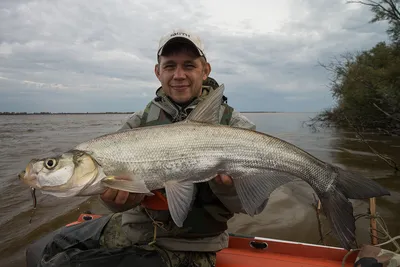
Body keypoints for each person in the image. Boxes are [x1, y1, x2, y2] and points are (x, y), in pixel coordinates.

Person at [25, 29, 261, 267]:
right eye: (170, 66)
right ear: (158, 72)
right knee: (53, 244)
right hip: (136, 228)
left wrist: (228, 188)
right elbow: (115, 197)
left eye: (188, 66)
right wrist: (118, 203)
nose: (179, 75)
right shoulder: (138, 122)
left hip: (191, 245)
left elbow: (254, 205)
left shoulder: (234, 126)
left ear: (205, 70)